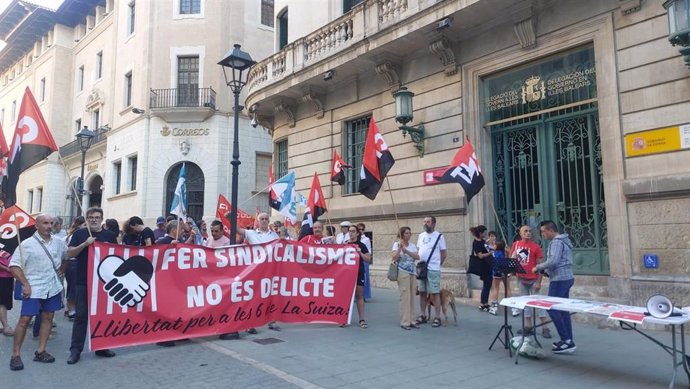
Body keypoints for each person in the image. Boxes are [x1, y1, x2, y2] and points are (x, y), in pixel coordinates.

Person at [9, 214, 67, 371]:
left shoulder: (59, 243)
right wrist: (25, 284)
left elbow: (68, 255)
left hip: (52, 287)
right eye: (45, 223)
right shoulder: (26, 244)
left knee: (48, 318)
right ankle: (15, 355)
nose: (49, 226)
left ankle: (40, 351)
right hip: (33, 288)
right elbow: (14, 266)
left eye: (52, 223)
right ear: (37, 226)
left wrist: (64, 267)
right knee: (24, 320)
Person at [66, 207, 118, 365]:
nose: (94, 219)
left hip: (104, 282)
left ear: (102, 219)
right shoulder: (79, 234)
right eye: (91, 217)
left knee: (102, 316)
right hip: (84, 281)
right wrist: (84, 244)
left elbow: (118, 254)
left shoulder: (109, 235)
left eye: (97, 217)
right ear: (87, 219)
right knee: (81, 317)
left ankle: (101, 347)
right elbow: (70, 253)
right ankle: (75, 351)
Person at [234, 212, 280, 334]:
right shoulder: (251, 233)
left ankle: (272, 321)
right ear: (258, 221)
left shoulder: (275, 235)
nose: (264, 221)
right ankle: (250, 324)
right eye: (262, 219)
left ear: (268, 221)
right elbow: (238, 230)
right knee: (253, 297)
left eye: (266, 219)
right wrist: (231, 217)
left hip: (270, 271)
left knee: (271, 295)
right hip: (256, 271)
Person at [533, 220, 575, 353]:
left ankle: (566, 339)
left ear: (551, 230)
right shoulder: (564, 240)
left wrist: (538, 267)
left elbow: (554, 260)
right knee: (563, 309)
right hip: (566, 277)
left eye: (543, 231)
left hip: (559, 279)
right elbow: (561, 261)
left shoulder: (556, 241)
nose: (542, 234)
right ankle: (568, 340)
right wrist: (547, 271)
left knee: (551, 307)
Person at [511, 225, 550, 338]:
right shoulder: (516, 245)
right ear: (520, 233)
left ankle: (545, 328)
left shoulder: (536, 247)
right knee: (525, 303)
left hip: (533, 279)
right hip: (521, 278)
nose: (528, 233)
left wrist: (539, 282)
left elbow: (540, 266)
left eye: (529, 231)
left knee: (539, 304)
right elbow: (512, 261)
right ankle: (528, 326)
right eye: (525, 231)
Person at [416, 216, 447, 328]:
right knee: (422, 292)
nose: (425, 223)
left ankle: (437, 317)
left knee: (435, 293)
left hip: (433, 269)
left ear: (433, 224)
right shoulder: (420, 236)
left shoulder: (439, 236)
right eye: (424, 221)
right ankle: (422, 314)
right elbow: (419, 250)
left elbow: (443, 253)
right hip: (422, 268)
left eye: (428, 222)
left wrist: (437, 264)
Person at [391, 226, 419, 330]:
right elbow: (394, 258)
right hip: (402, 272)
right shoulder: (397, 244)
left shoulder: (412, 245)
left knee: (412, 296)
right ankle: (405, 321)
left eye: (409, 233)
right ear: (402, 234)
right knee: (405, 296)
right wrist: (400, 248)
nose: (408, 235)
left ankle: (412, 320)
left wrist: (406, 251)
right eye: (406, 233)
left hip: (412, 272)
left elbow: (417, 257)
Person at [345, 225, 372, 328]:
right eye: (349, 231)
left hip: (358, 272)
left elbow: (368, 259)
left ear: (357, 233)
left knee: (359, 296)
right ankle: (345, 319)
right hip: (347, 274)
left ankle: (362, 319)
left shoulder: (362, 245)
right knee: (347, 297)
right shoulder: (345, 245)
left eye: (353, 231)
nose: (351, 233)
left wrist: (359, 252)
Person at [63, 216, 85, 321]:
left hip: (74, 264)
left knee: (73, 286)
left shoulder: (72, 235)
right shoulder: (74, 236)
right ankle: (71, 308)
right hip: (73, 263)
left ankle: (69, 307)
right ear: (80, 225)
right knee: (73, 287)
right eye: (85, 225)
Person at [470, 225, 493, 312]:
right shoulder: (476, 243)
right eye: (484, 233)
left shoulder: (483, 241)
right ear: (480, 233)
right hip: (483, 266)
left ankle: (485, 302)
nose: (486, 234)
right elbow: (480, 255)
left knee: (487, 285)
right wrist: (490, 253)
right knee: (486, 285)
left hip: (487, 265)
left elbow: (486, 248)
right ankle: (483, 303)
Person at [0, 249, 15, 336]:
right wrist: (7, 269)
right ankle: (6, 327)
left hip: (8, 277)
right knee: (2, 303)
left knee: (4, 302)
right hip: (2, 277)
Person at [357, 223, 372, 301]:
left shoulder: (366, 239)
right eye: (359, 229)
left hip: (363, 259)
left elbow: (368, 250)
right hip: (356, 260)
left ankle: (365, 295)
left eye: (362, 229)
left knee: (365, 278)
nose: (361, 231)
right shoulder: (354, 238)